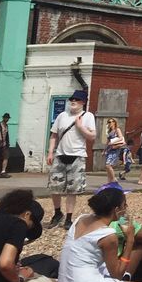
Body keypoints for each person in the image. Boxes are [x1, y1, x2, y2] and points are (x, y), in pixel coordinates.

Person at [54, 186, 142, 282]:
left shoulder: (80, 219)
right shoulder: (108, 235)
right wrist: (130, 240)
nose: (126, 209)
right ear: (117, 210)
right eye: (124, 205)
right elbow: (117, 275)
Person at [46, 90, 97, 230]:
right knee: (54, 186)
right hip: (60, 154)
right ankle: (57, 213)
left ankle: (69, 217)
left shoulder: (87, 116)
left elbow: (92, 136)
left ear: (83, 102)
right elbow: (54, 135)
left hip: (77, 155)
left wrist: (80, 127)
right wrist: (50, 152)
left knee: (72, 190)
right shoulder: (62, 115)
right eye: (72, 99)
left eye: (77, 99)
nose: (73, 101)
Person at [104, 119, 128, 185]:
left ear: (114, 122)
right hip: (109, 149)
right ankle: (110, 181)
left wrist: (112, 142)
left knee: (108, 165)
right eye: (108, 122)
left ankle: (114, 179)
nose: (110, 123)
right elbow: (107, 142)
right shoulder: (109, 131)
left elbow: (120, 138)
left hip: (115, 149)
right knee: (108, 166)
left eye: (111, 121)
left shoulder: (117, 130)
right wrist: (104, 150)